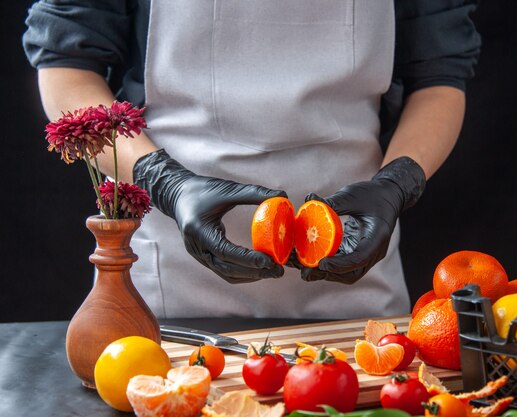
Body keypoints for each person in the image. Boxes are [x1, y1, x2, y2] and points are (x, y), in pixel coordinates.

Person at [23, 1, 481, 319]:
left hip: (356, 278)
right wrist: (162, 181)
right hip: (177, 284)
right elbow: (67, 69)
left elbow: (440, 78)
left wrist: (397, 184)